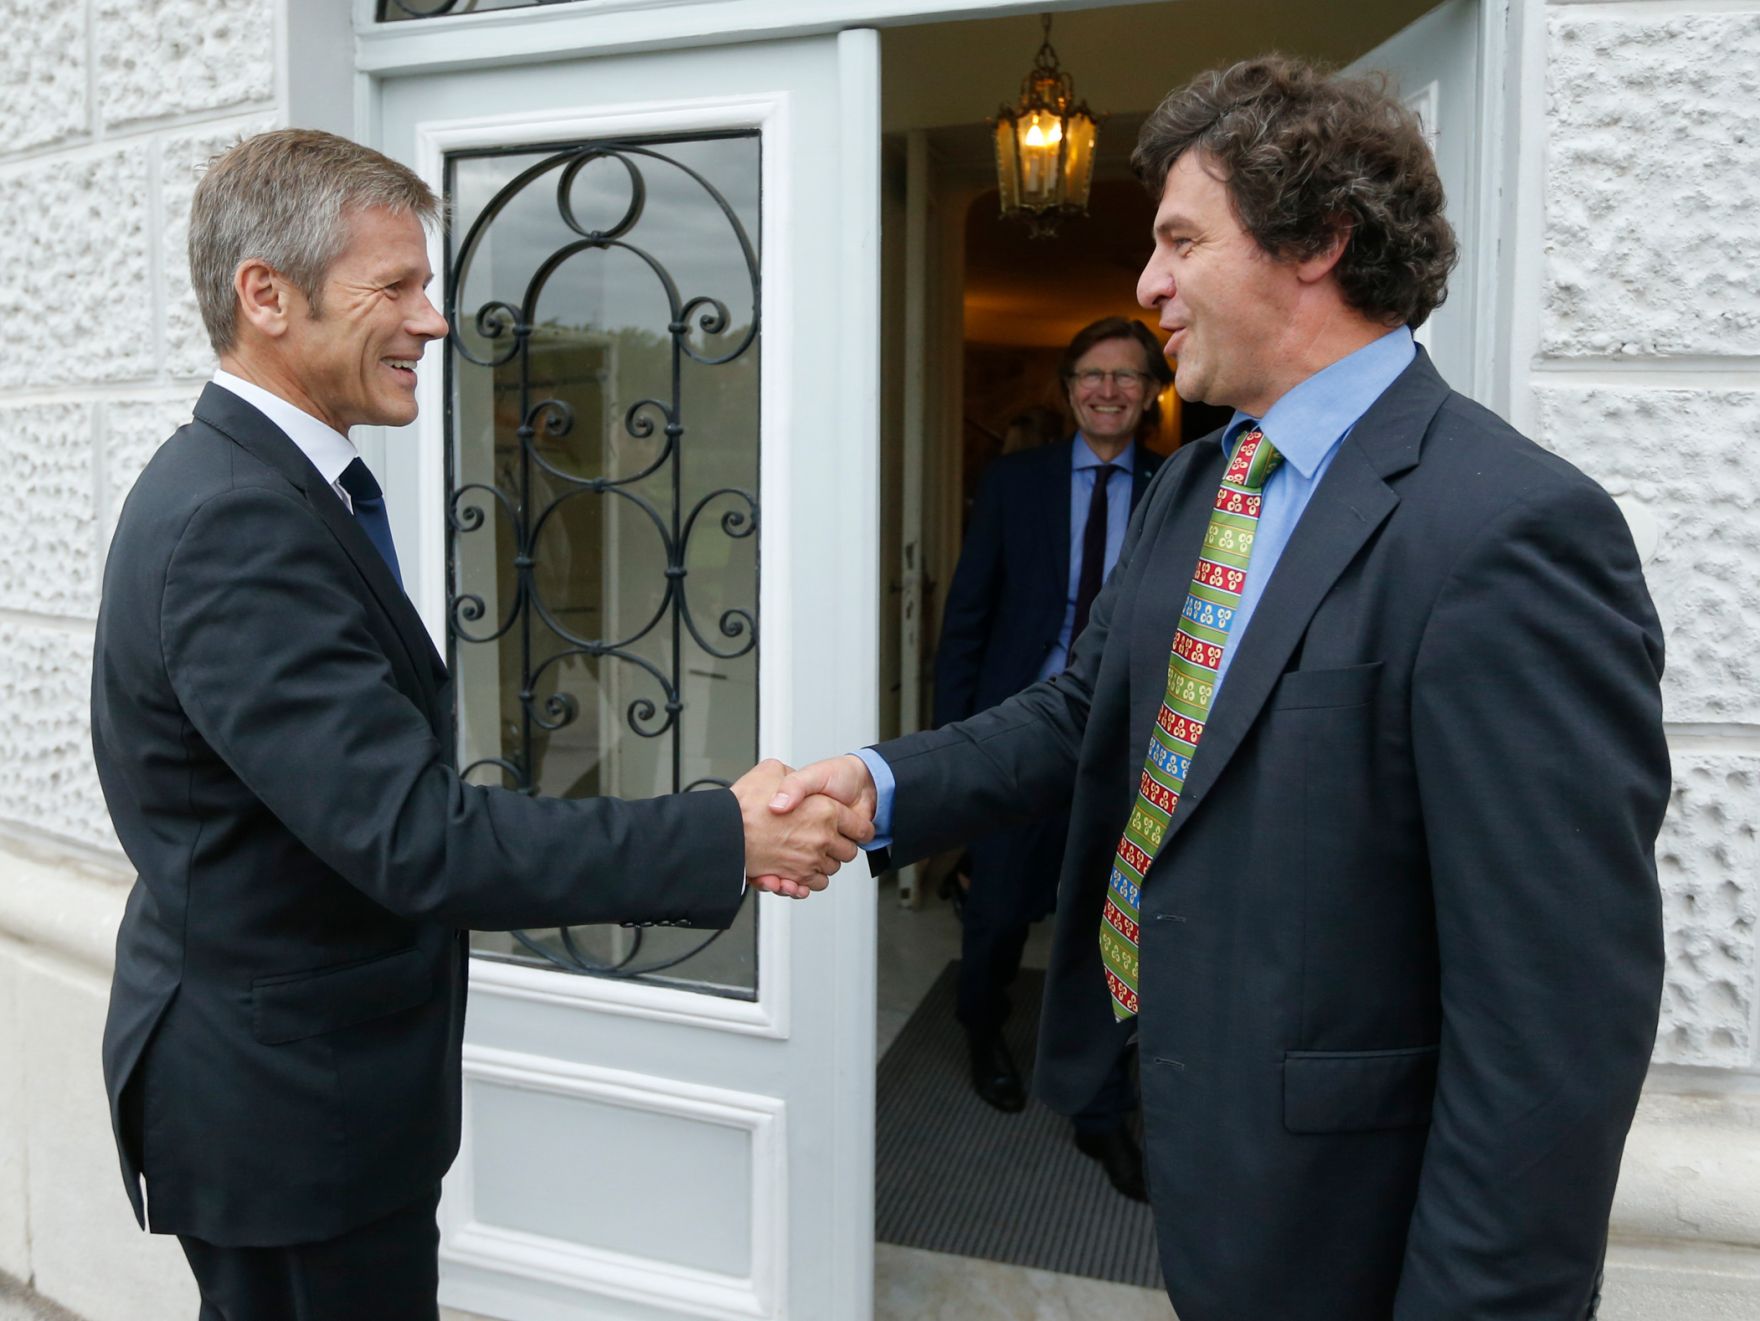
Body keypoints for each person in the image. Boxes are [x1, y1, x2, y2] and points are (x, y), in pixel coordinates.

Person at [766, 56, 1668, 1319]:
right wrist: (877, 784)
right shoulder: (1197, 483)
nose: (1146, 285)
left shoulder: (1508, 528)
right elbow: (1083, 710)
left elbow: (1551, 1018)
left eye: (1180, 240)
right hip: (1192, 1138)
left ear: (1317, 241)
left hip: (1356, 1208)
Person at [90, 128, 869, 1321]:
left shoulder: (265, 490)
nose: (433, 319)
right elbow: (418, 838)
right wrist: (722, 833)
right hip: (290, 1119)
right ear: (267, 295)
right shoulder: (235, 522)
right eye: (395, 285)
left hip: (305, 1096)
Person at [932, 319, 1167, 1202]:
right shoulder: (1015, 482)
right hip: (1021, 734)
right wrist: (954, 750)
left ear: (1151, 393)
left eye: (1127, 377)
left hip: (1129, 749)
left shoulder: (1179, 486)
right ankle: (982, 1026)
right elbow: (969, 615)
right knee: (996, 909)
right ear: (1068, 388)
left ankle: (1102, 1111)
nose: (1108, 391)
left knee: (1114, 929)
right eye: (1092, 375)